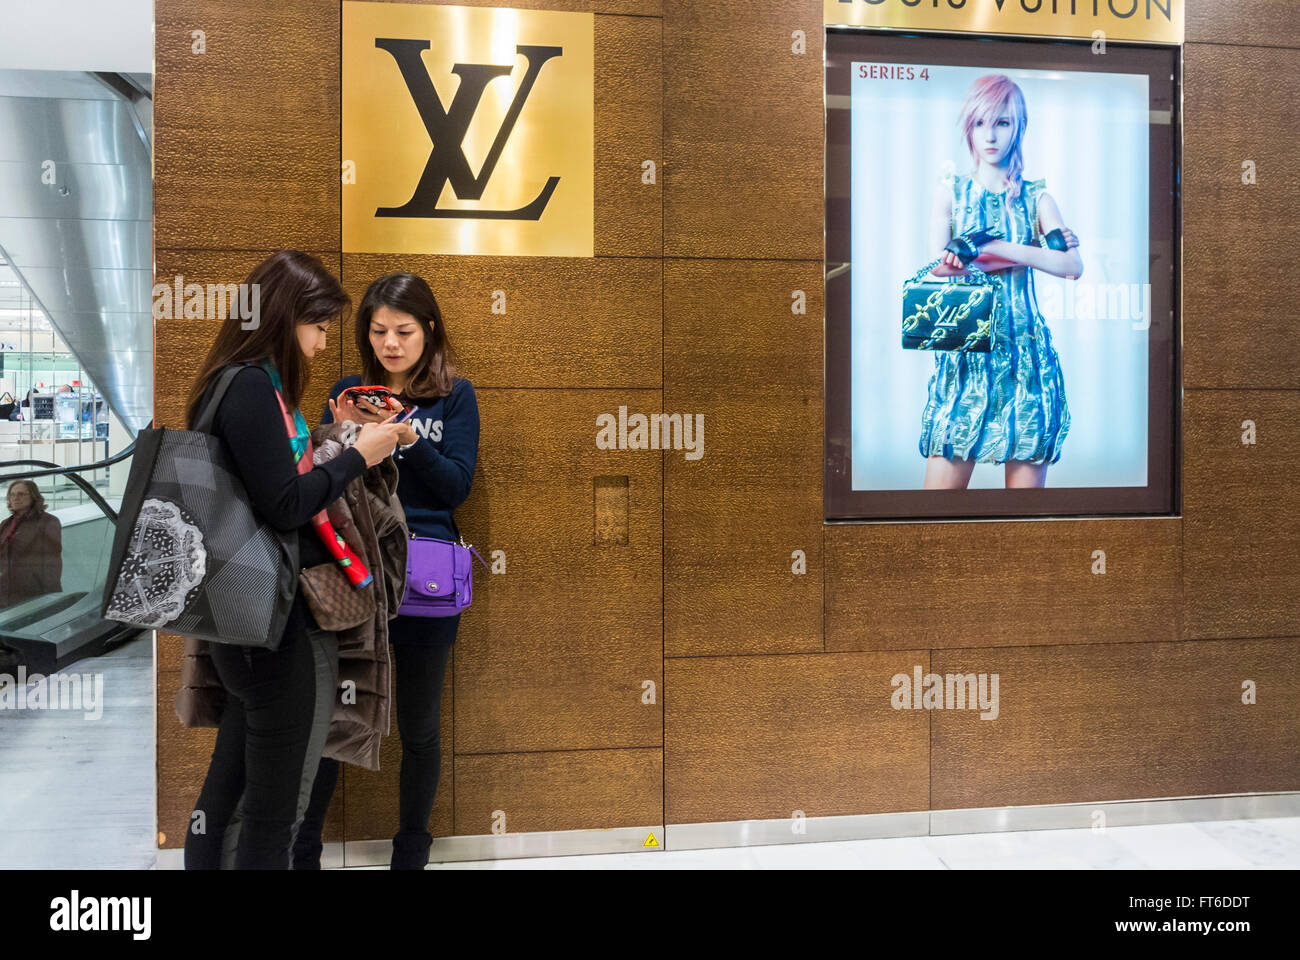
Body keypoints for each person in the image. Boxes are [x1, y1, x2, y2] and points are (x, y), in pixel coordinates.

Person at [181, 250, 404, 869]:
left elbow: (274, 484)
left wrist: (342, 440)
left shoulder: (233, 381)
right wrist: (364, 454)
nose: (323, 340)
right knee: (276, 810)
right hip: (277, 628)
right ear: (286, 316)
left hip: (242, 621)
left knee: (227, 794)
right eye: (320, 325)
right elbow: (285, 503)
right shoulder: (253, 386)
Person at [292, 271, 479, 871]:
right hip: (356, 569)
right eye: (377, 331)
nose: (390, 344)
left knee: (420, 726)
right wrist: (345, 430)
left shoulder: (456, 395)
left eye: (403, 330)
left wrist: (405, 439)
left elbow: (455, 488)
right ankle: (301, 850)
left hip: (425, 572)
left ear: (428, 329)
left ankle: (411, 854)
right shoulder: (350, 388)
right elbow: (326, 477)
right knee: (334, 718)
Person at [920, 73, 1083, 490]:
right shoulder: (950, 194)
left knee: (1023, 527)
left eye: (1003, 123)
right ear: (969, 127)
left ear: (1019, 127)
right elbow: (938, 269)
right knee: (934, 521)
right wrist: (1026, 253)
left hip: (1025, 360)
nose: (990, 135)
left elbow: (1072, 265)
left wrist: (993, 247)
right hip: (966, 361)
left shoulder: (1038, 198)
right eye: (980, 123)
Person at [0, 479, 62, 608]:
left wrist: (51, 596)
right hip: (5, 590)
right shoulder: (6, 523)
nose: (15, 498)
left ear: (33, 497)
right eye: (12, 494)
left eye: (21, 494)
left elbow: (52, 561)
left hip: (31, 592)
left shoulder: (48, 522)